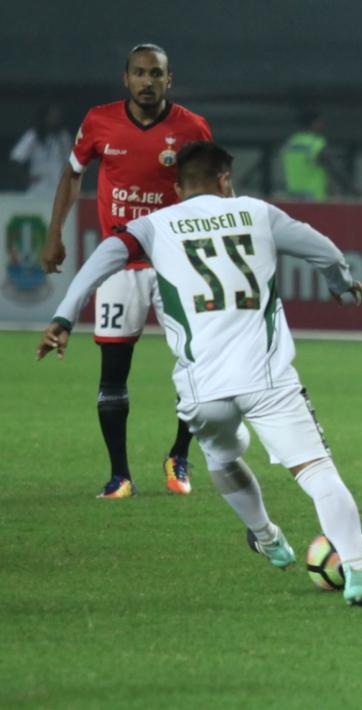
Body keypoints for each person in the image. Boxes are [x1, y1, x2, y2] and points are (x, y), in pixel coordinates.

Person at [36, 141, 362, 607]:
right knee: (316, 473)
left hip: (202, 387)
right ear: (225, 179)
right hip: (267, 380)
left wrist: (65, 318)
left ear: (176, 186)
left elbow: (104, 258)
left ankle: (266, 537)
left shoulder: (154, 226)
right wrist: (342, 286)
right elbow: (324, 250)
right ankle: (358, 577)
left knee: (224, 460)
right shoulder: (258, 213)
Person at [40, 43, 213, 499]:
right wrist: (55, 232)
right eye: (139, 73)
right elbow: (73, 173)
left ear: (168, 80)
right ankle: (120, 476)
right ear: (126, 79)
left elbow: (215, 190)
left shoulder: (192, 128)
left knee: (199, 366)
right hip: (120, 266)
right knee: (113, 372)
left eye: (156, 74)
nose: (147, 82)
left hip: (176, 266)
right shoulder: (99, 121)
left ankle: (179, 455)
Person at [280, 108, 359, 201]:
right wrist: (354, 189)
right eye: (321, 122)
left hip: (292, 198)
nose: (322, 125)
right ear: (315, 123)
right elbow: (335, 169)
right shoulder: (315, 144)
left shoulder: (290, 144)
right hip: (314, 199)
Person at [9, 104, 72, 194]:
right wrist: (25, 179)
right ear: (44, 117)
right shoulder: (33, 135)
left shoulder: (64, 137)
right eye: (52, 116)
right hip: (38, 189)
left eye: (57, 116)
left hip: (59, 189)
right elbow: (15, 159)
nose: (55, 119)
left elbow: (70, 163)